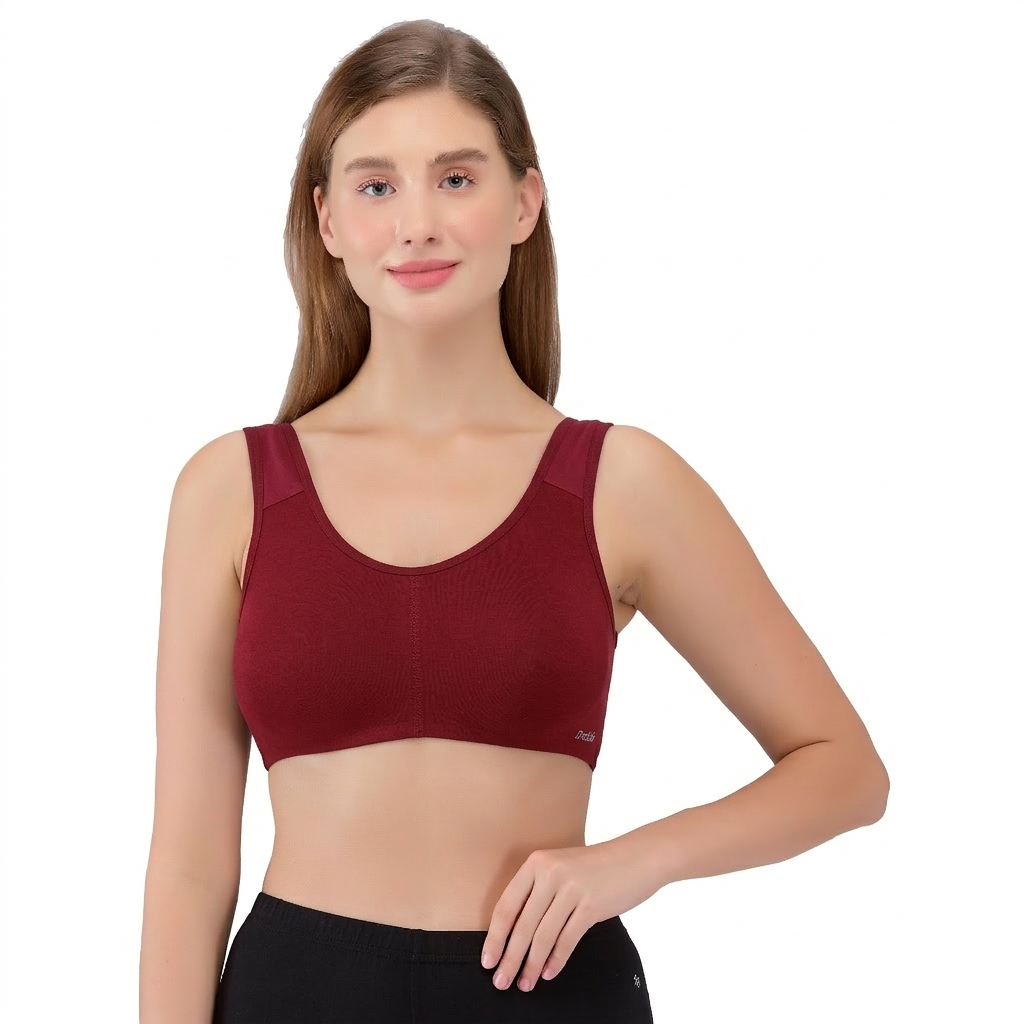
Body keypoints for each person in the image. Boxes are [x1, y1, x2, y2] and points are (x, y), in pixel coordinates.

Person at [139, 18, 889, 1024]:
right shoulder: (230, 491)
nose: (417, 223)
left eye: (456, 178)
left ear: (524, 201)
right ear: (327, 222)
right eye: (376, 186)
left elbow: (844, 767)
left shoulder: (620, 483)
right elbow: (189, 867)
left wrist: (634, 860)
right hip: (295, 995)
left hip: (550, 994)